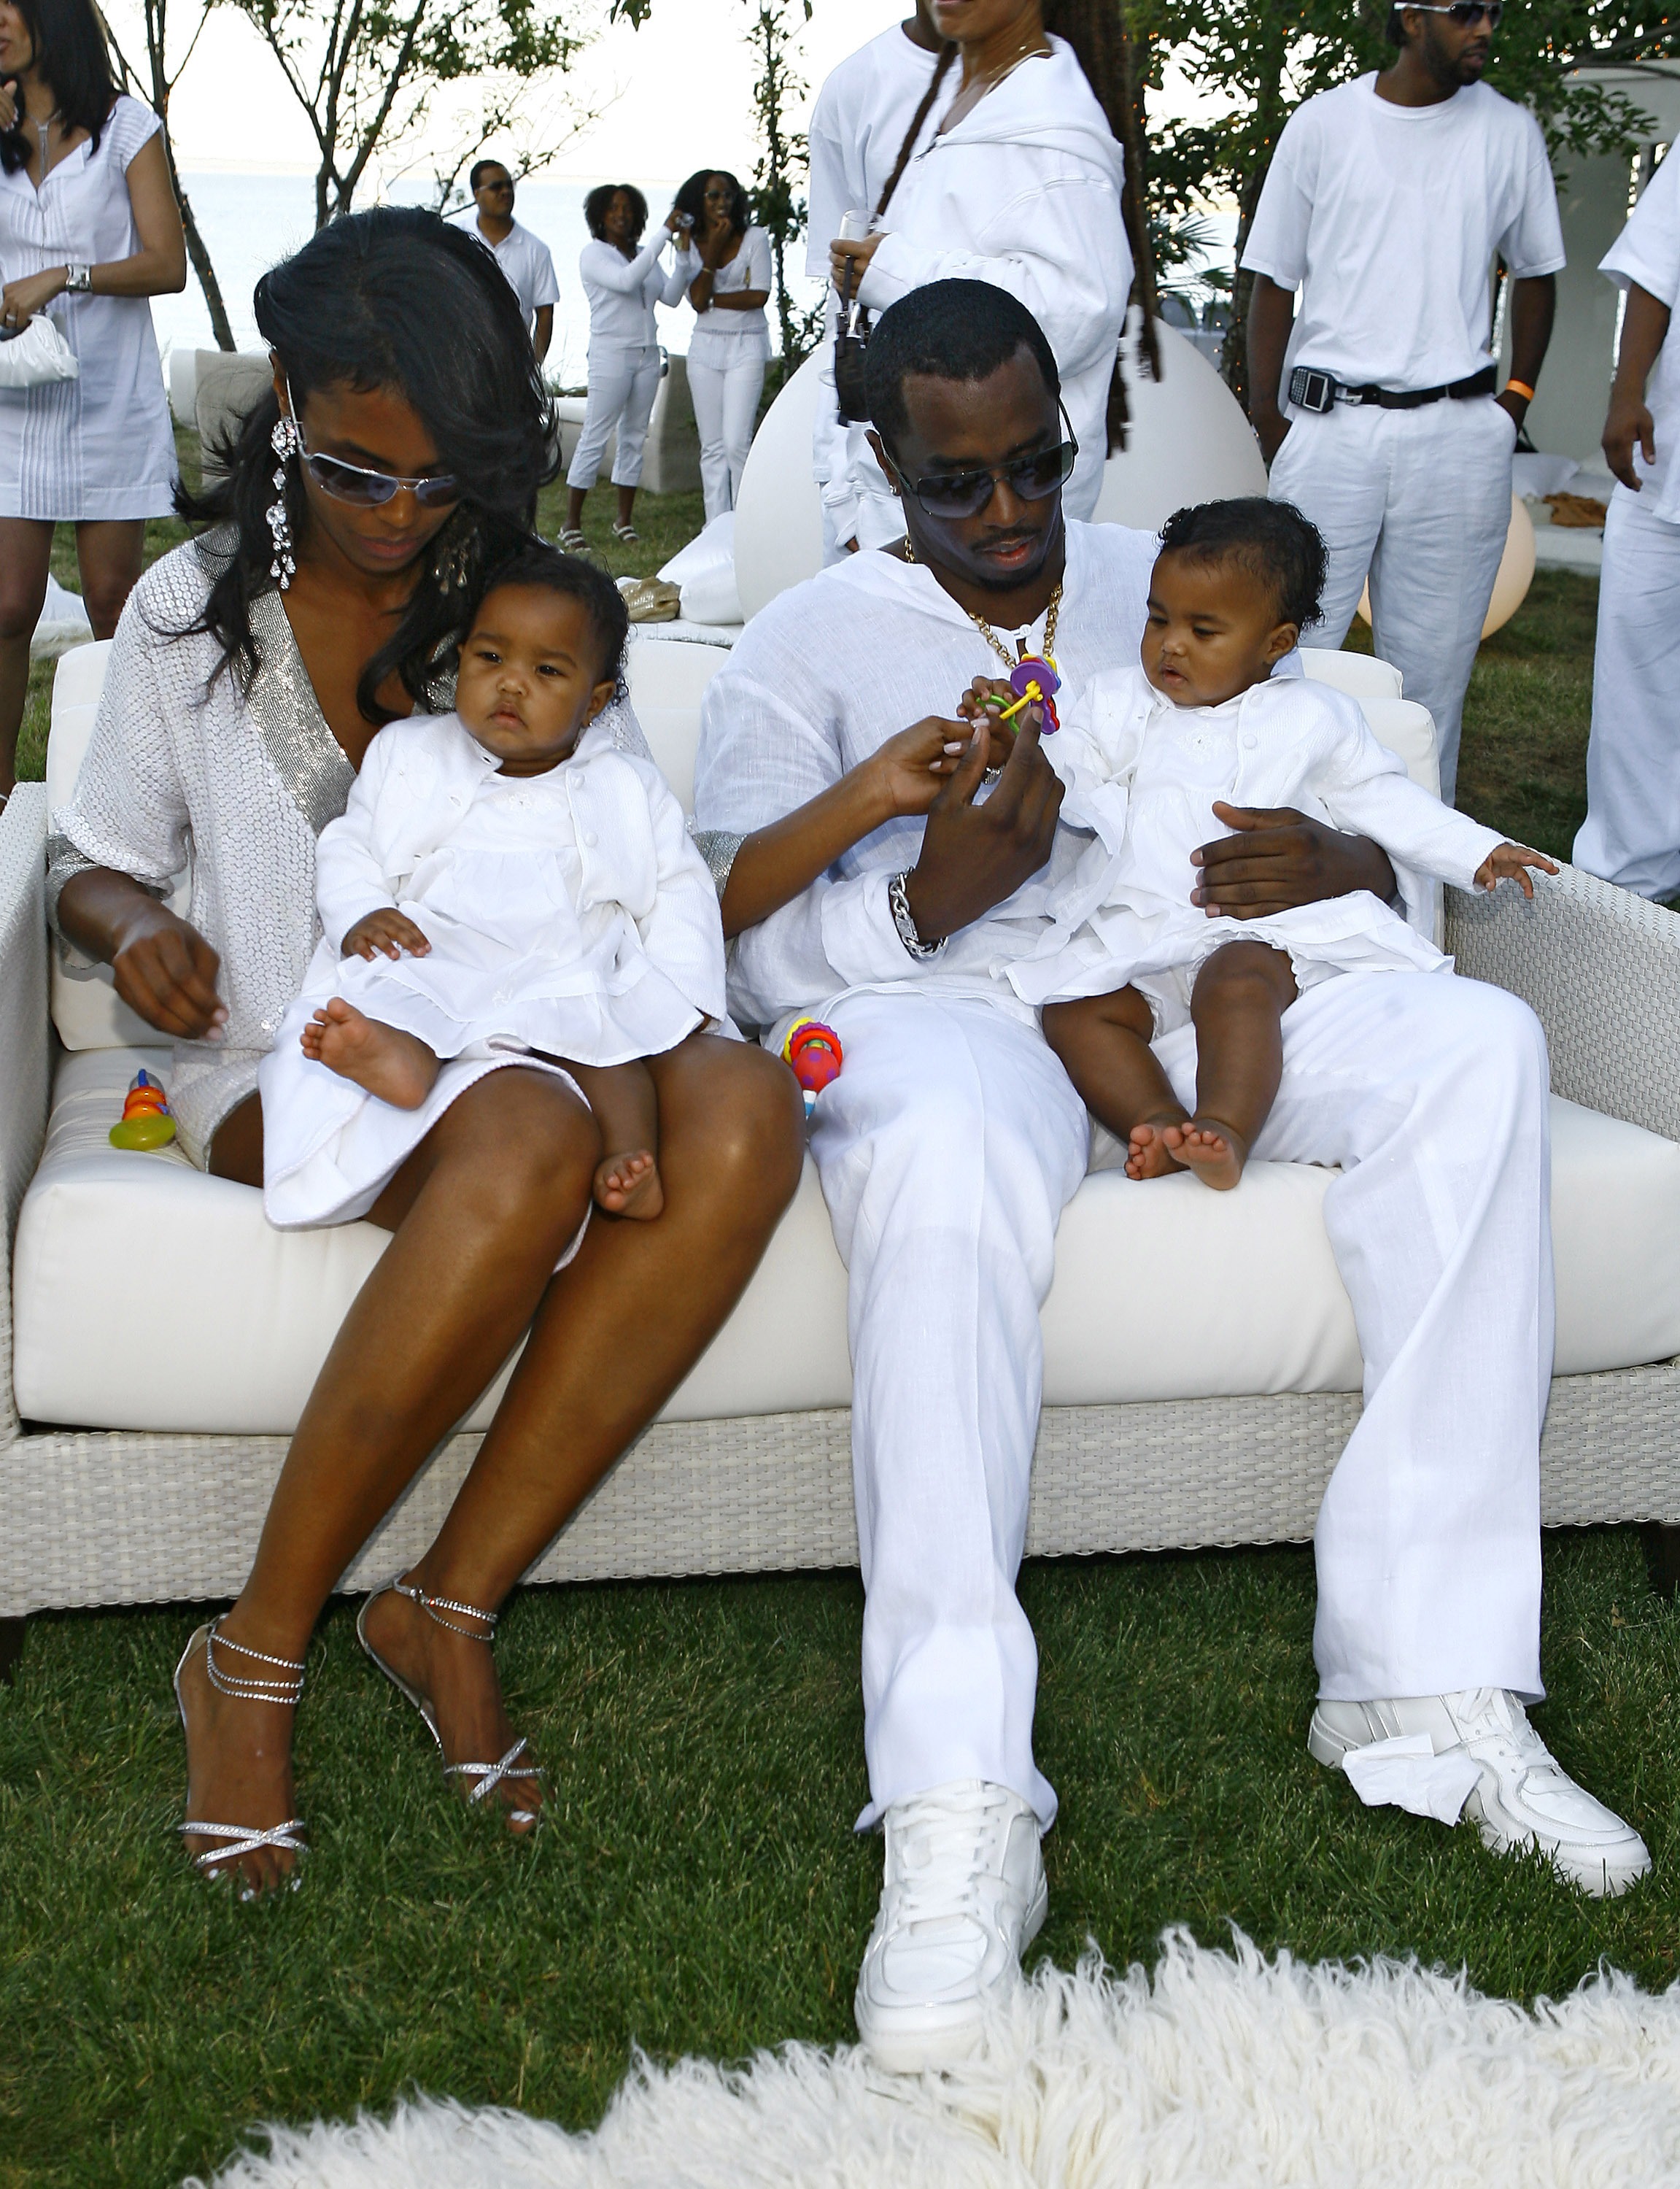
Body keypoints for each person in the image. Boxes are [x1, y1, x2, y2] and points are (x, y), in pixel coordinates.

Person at [694, 278, 1648, 2073]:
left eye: (1038, 465)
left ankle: (1427, 1680)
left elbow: (1363, 820)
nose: (1009, 513)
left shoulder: (1194, 575)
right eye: (957, 481)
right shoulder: (804, 644)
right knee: (947, 1139)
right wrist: (930, 895)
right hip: (969, 1003)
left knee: (1478, 1052)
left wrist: (1345, 853)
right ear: (879, 463)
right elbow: (728, 936)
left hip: (1219, 996)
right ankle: (963, 1792)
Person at [47, 206, 803, 1896]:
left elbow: (618, 857)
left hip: (538, 1017)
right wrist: (130, 928)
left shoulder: (513, 598)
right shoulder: (186, 615)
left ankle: (441, 1602)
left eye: (436, 480)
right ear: (288, 405)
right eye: (354, 471)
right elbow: (90, 850)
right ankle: (249, 1655)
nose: (399, 520)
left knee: (745, 1113)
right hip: (300, 1052)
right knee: (531, 1134)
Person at [1010, 498, 1555, 1191]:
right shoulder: (1117, 703)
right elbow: (1067, 772)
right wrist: (1016, 747)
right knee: (1073, 1011)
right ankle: (1155, 1120)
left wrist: (1477, 851)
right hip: (1137, 935)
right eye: (1158, 619)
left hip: (1258, 934)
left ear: (1275, 642)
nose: (1170, 644)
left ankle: (1226, 1127)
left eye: (1203, 630)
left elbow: (1386, 800)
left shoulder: (1313, 717)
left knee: (1235, 985)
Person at [265, 546, 726, 1232]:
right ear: (460, 662)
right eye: (490, 659)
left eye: (546, 671)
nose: (511, 685)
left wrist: (685, 993)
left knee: (615, 1049)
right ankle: (404, 1061)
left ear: (595, 703)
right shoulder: (409, 751)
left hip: (566, 959)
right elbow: (351, 841)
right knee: (399, 992)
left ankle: (630, 1158)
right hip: (441, 943)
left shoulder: (627, 784)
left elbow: (678, 889)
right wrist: (362, 910)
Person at [1242, 0, 1562, 808]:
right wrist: (1270, 422)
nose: (1483, 28)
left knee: (1427, 689)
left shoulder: (1507, 131)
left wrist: (1512, 402)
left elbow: (1536, 272)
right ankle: (1276, 859)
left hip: (1458, 437)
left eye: (1491, 12)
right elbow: (1271, 280)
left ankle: (1413, 895)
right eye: (1464, 13)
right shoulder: (1322, 125)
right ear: (1408, 17)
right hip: (1328, 430)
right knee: (1287, 662)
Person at [824, 0, 1130, 547]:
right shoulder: (972, 103)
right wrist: (851, 492)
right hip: (919, 504)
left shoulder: (1045, 122)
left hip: (986, 525)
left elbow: (1078, 308)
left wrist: (894, 273)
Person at [0, 0, 186, 805]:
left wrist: (64, 275)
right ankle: (1, 795)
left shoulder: (125, 128)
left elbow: (166, 262)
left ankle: (123, 797)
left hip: (108, 396)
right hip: (14, 397)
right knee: (8, 604)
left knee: (114, 602)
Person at [1573, 148, 1680, 900]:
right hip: (1663, 462)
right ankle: (1626, 886)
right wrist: (1625, 391)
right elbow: (1655, 269)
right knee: (1633, 680)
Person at [805, 5, 944, 560]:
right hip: (877, 488)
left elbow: (1079, 310)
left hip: (1013, 481)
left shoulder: (1054, 89)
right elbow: (837, 312)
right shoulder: (856, 85)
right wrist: (842, 497)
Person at [562, 184, 693, 551]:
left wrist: (681, 254)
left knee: (634, 436)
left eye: (628, 208)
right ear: (600, 216)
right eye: (613, 208)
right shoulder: (594, 255)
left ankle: (624, 520)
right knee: (596, 435)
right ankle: (571, 523)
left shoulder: (641, 254)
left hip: (647, 355)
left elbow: (669, 298)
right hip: (611, 355)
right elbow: (626, 281)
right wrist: (664, 235)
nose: (622, 214)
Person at [673, 168, 771, 520]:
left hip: (747, 346)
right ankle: (715, 529)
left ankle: (746, 524)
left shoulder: (755, 238)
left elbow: (758, 294)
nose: (722, 203)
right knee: (712, 448)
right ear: (698, 201)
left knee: (736, 443)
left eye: (728, 195)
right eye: (713, 196)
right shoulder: (689, 246)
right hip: (705, 350)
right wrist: (712, 251)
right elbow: (696, 300)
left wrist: (713, 300)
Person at [467, 157, 557, 365]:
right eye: (496, 187)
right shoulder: (455, 238)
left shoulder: (536, 249)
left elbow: (545, 314)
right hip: (462, 364)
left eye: (509, 185)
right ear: (476, 194)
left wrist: (534, 366)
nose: (505, 192)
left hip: (513, 366)